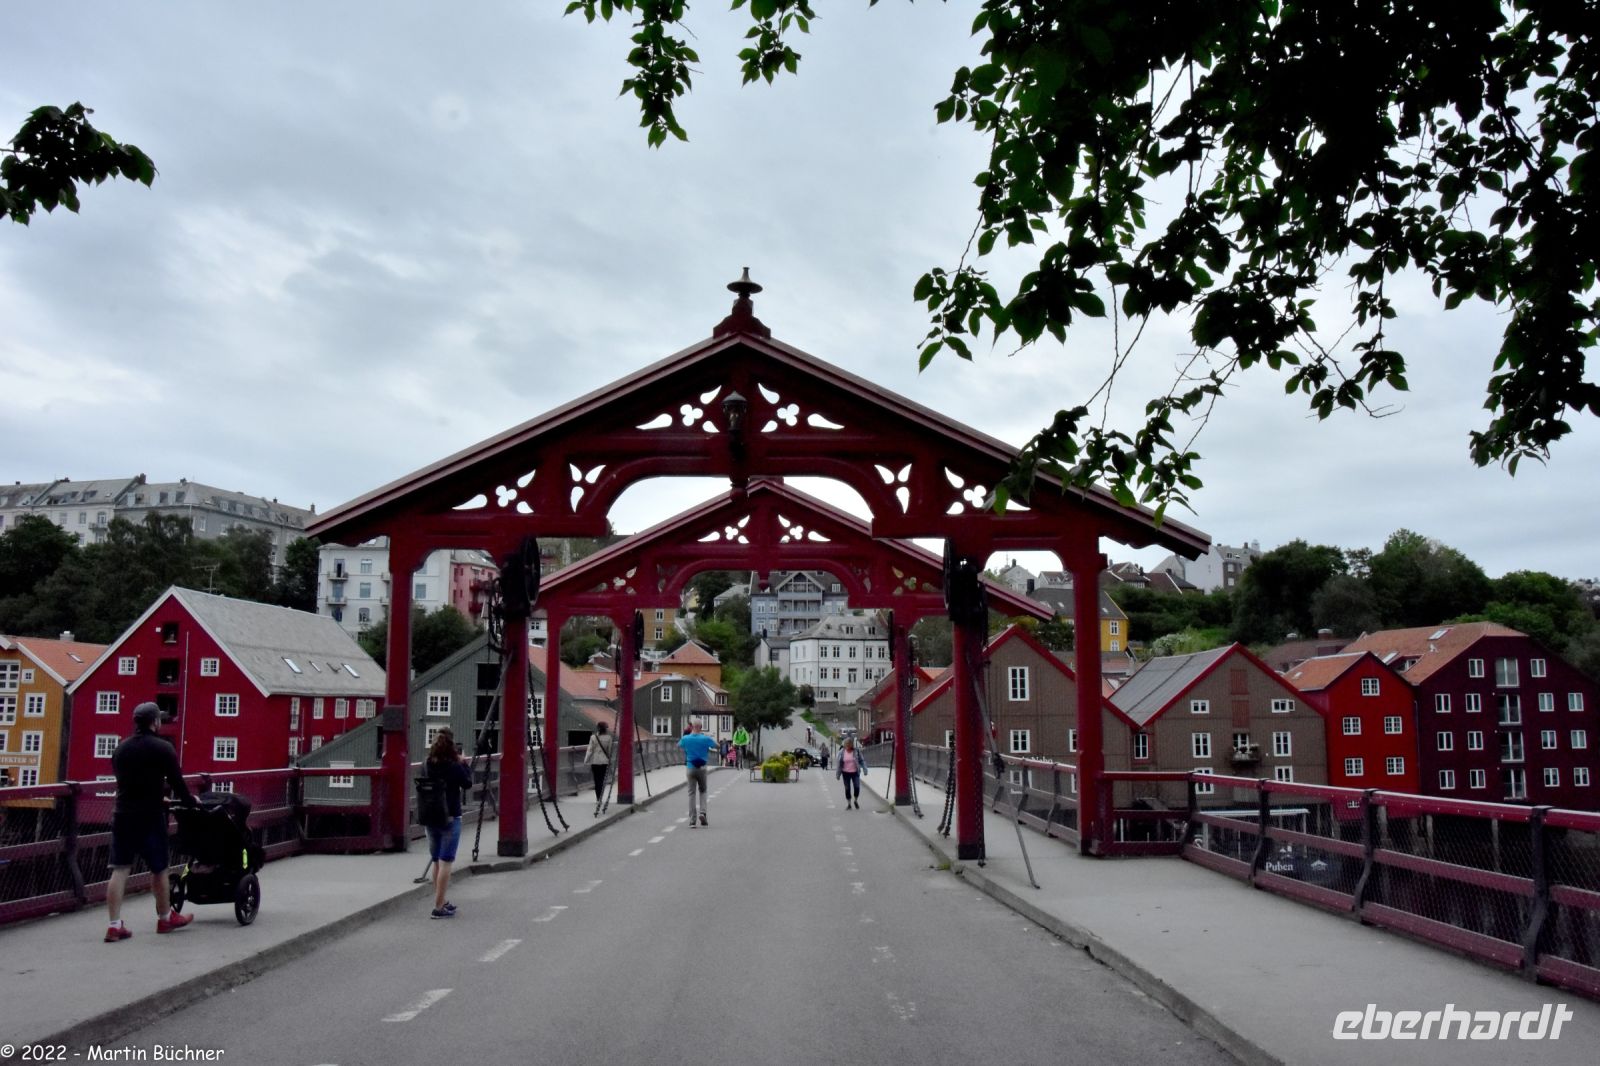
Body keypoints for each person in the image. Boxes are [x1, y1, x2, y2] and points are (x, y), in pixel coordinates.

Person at [105, 701, 196, 942]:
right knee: (159, 868)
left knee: (119, 869)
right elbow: (176, 781)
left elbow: (126, 781)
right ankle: (165, 918)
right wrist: (189, 801)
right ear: (155, 722)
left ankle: (114, 925)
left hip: (123, 813)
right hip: (150, 815)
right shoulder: (163, 748)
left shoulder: (121, 748)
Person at [423, 728, 472, 919]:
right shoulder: (454, 766)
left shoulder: (427, 764)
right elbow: (467, 783)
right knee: (446, 862)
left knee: (436, 861)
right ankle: (438, 907)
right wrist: (464, 763)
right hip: (450, 816)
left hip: (430, 817)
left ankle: (441, 900)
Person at [679, 719, 719, 827]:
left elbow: (679, 745)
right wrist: (707, 741)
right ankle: (703, 813)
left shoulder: (686, 738)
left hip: (690, 767)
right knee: (703, 790)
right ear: (701, 727)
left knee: (691, 793)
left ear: (692, 727)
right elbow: (717, 745)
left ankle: (692, 820)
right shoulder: (705, 738)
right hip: (702, 768)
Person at [583, 722, 614, 812]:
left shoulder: (593, 737)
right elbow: (609, 751)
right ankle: (601, 797)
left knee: (597, 780)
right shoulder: (609, 738)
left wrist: (586, 760)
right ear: (605, 729)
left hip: (595, 761)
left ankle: (598, 799)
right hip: (604, 762)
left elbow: (590, 750)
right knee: (602, 779)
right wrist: (609, 760)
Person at [835, 735, 867, 809]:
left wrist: (865, 769)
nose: (848, 746)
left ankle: (855, 800)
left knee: (857, 787)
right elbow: (839, 764)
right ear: (845, 745)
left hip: (855, 772)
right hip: (845, 773)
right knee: (847, 788)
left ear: (851, 745)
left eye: (849, 745)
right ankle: (849, 804)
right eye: (846, 745)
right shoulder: (841, 752)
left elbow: (862, 760)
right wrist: (838, 774)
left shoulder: (856, 751)